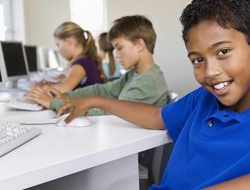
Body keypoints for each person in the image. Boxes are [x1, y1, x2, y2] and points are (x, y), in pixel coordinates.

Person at [55, 0, 250, 189]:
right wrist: (91, 100)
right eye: (197, 60)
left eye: (223, 52)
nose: (210, 71)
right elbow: (157, 117)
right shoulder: (203, 100)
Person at [25, 15, 168, 116]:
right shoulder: (136, 74)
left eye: (119, 48)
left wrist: (54, 103)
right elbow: (103, 90)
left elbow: (110, 113)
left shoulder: (149, 82)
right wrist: (66, 96)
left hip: (130, 153)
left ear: (139, 45)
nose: (117, 55)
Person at [33, 22, 106, 93]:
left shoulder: (81, 64)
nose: (58, 50)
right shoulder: (87, 60)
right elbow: (66, 83)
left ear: (69, 42)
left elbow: (62, 90)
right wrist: (50, 84)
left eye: (58, 45)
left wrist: (40, 88)